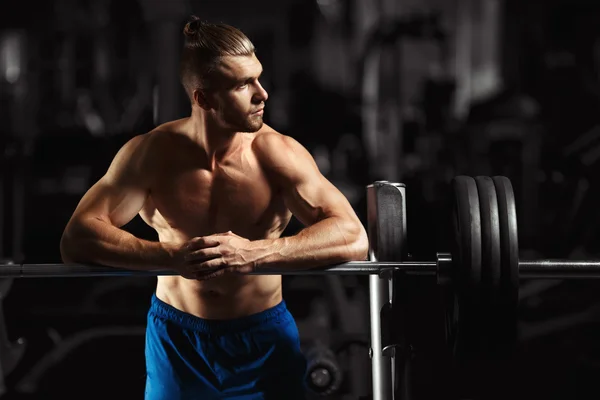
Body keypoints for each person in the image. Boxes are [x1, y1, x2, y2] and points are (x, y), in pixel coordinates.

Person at [60, 15, 369, 400]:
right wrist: (169, 256)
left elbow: (353, 236)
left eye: (258, 77)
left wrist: (256, 252)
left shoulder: (278, 154)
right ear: (203, 98)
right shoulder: (151, 154)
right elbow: (77, 237)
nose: (263, 94)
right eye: (243, 85)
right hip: (177, 341)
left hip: (263, 339)